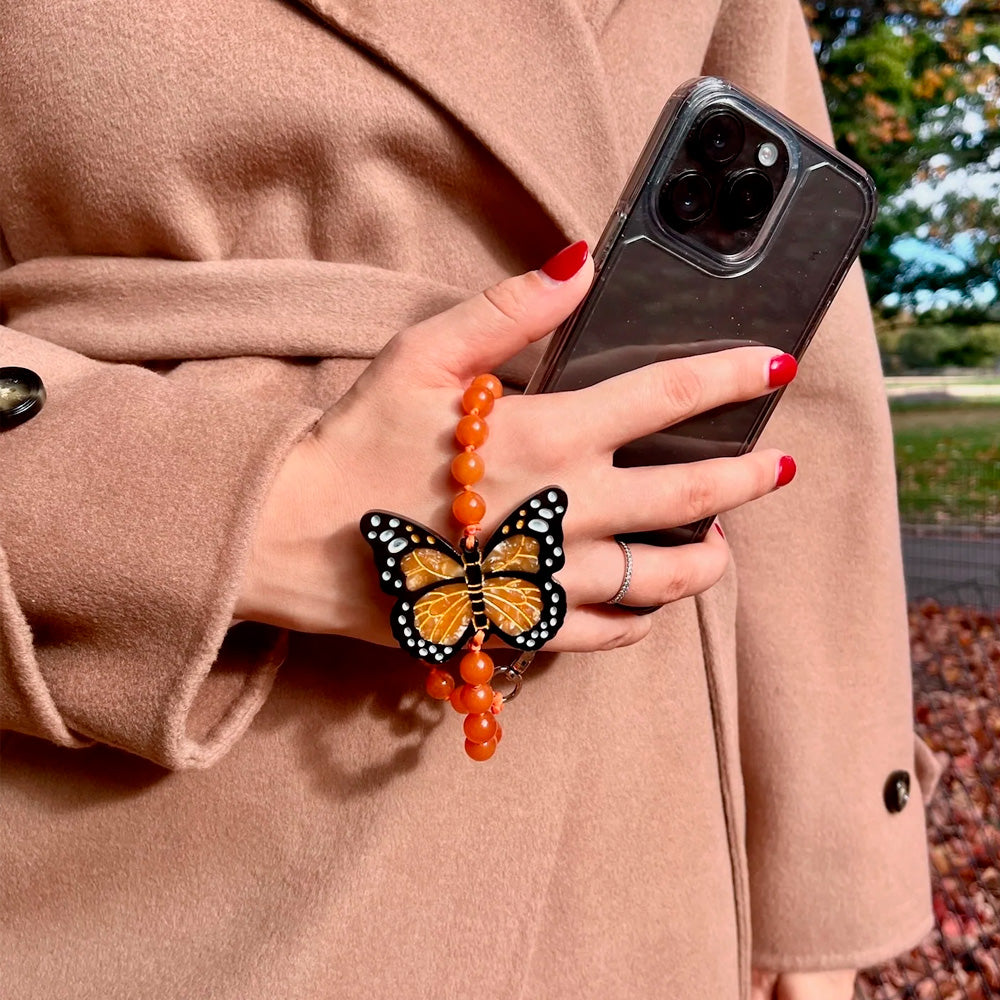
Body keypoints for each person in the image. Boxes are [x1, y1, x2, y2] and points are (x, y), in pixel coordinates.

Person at [0, 1, 940, 998]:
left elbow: (802, 344)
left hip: (649, 838)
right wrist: (243, 506)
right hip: (168, 807)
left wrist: (814, 884)